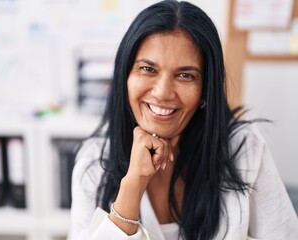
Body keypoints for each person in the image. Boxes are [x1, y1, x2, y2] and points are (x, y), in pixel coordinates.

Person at [68, 1, 298, 239]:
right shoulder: (94, 161)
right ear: (125, 75)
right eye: (148, 69)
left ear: (205, 89)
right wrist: (133, 185)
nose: (163, 92)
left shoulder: (243, 147)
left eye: (186, 75)